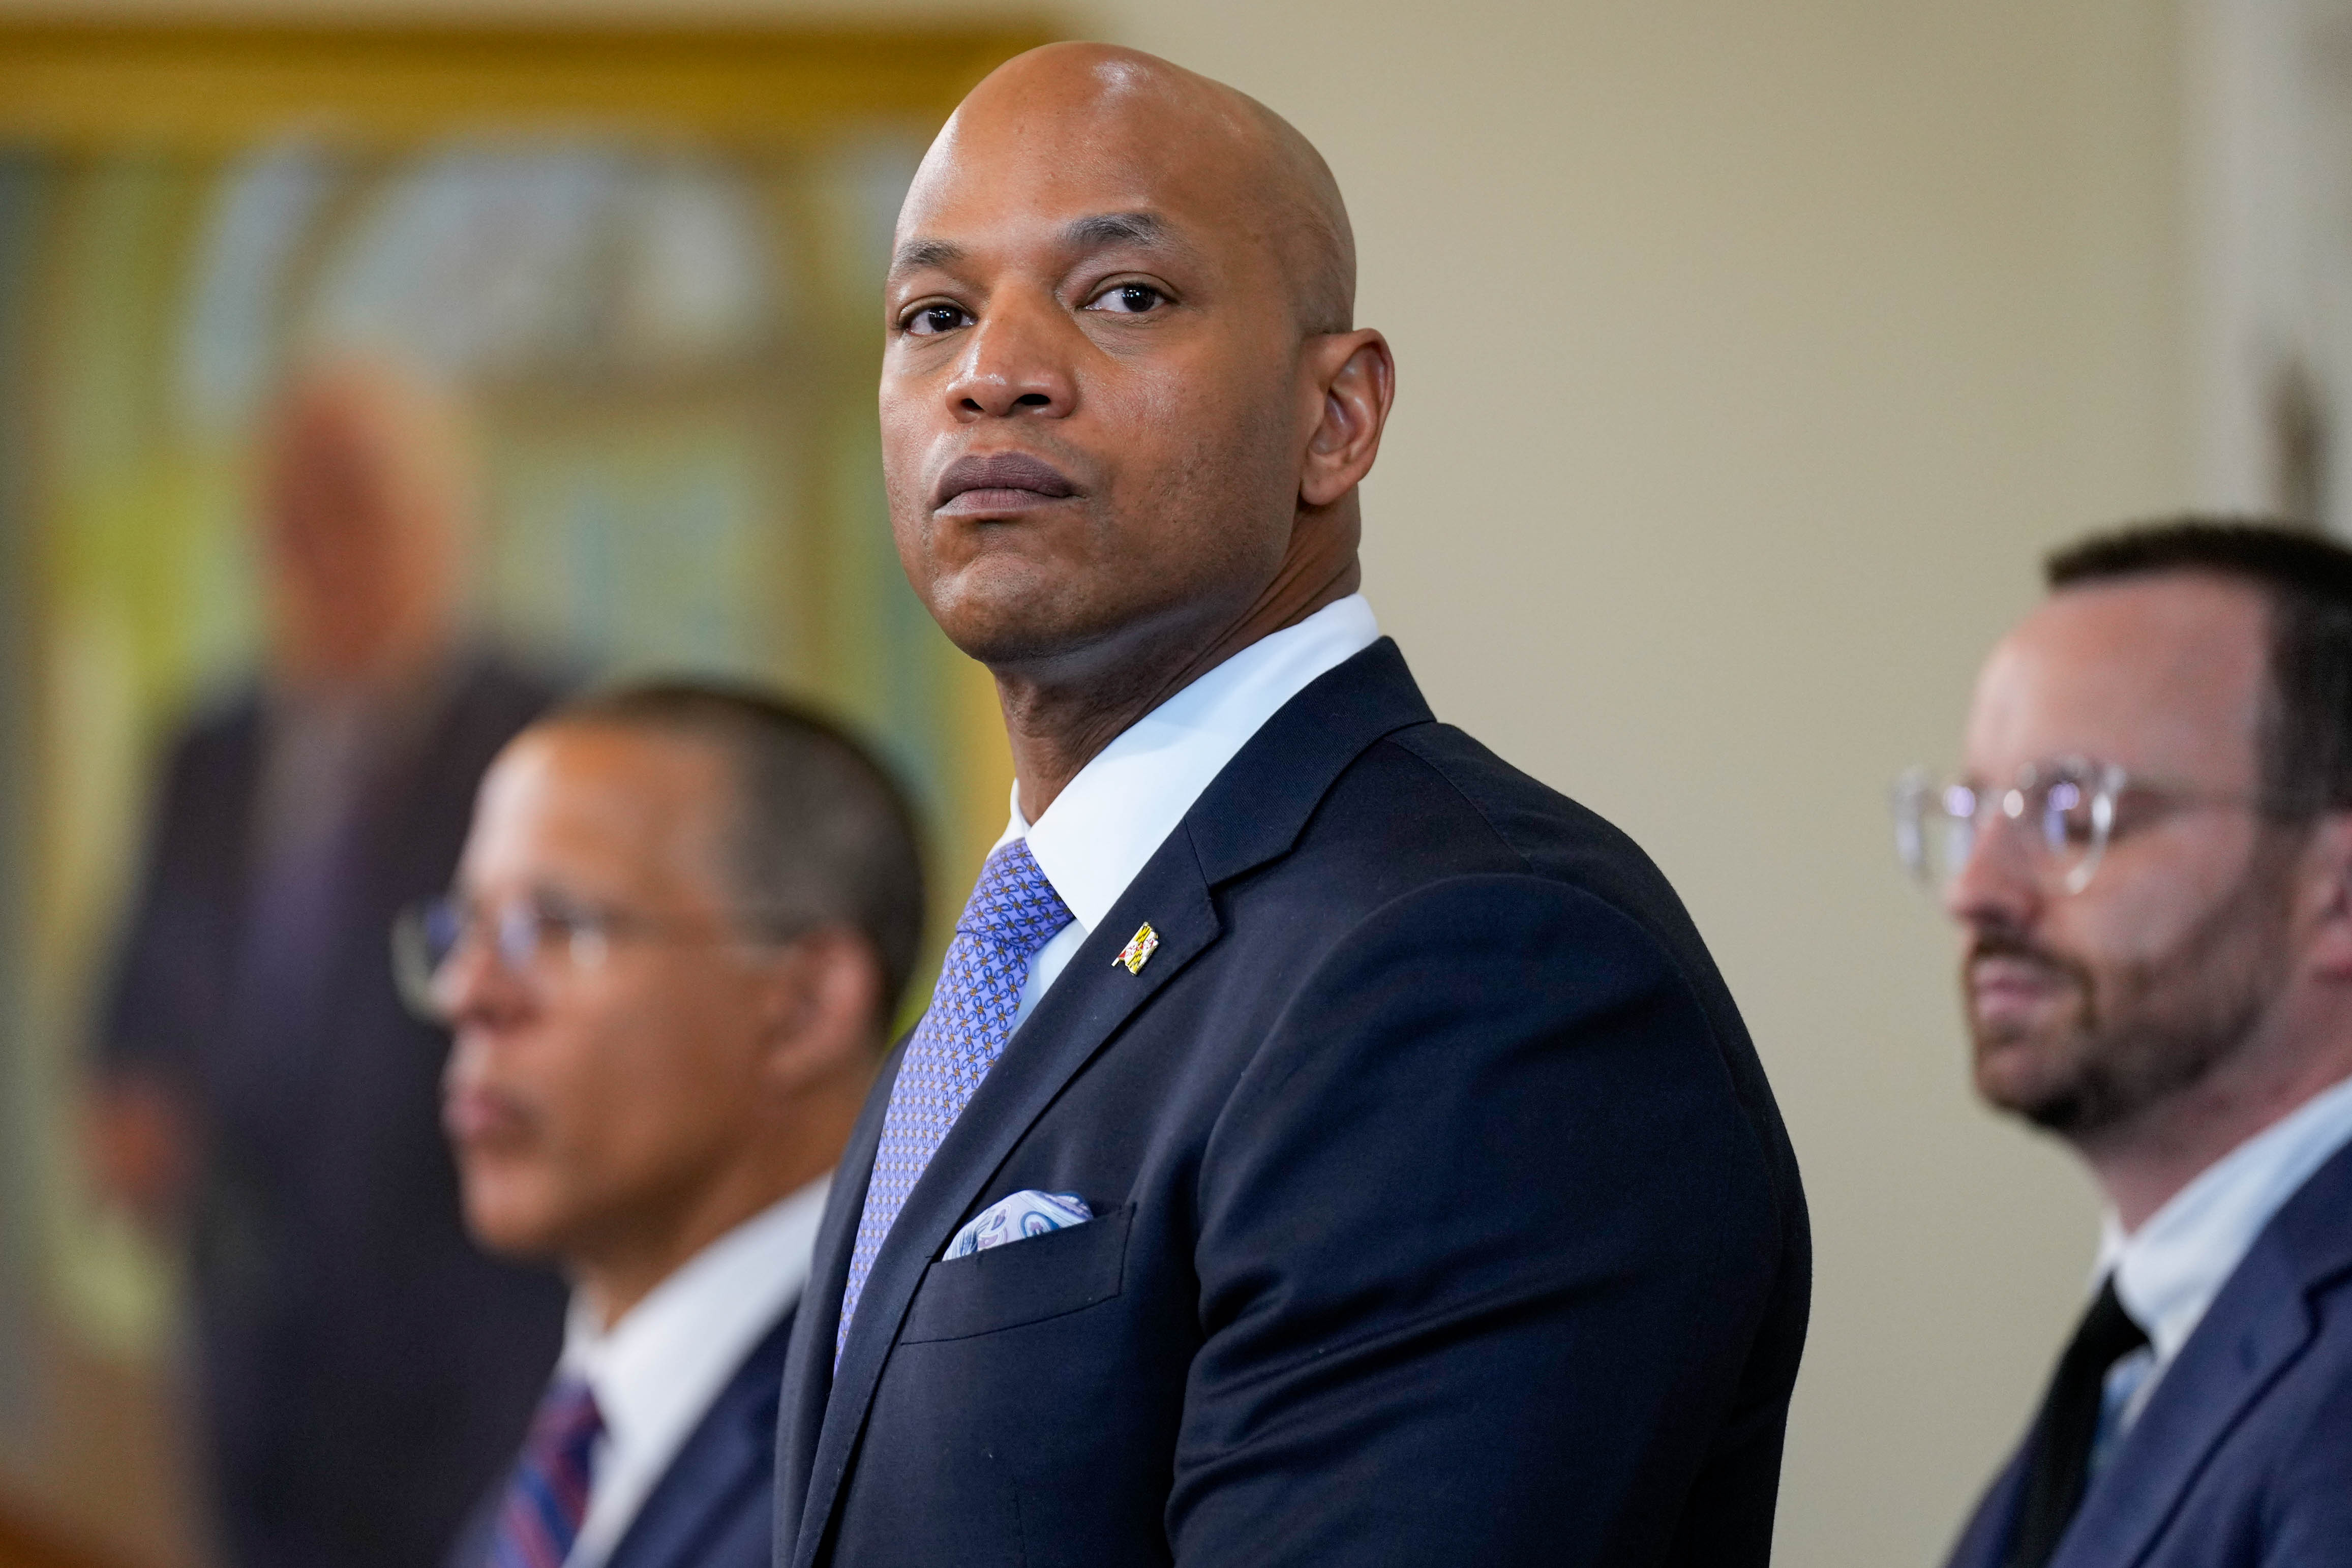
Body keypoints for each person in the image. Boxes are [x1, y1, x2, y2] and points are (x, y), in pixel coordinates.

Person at [772, 42, 1810, 1568]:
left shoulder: (1478, 968)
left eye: (1122, 295)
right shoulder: (1027, 951)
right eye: (935, 314)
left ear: (1339, 417)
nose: (994, 369)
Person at [86, 359, 569, 1568]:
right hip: (249, 1367)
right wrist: (129, 1096)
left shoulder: (552, 743)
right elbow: (136, 994)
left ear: (446, 523)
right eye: (290, 517)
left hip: (473, 1363)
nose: (318, 550)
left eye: (353, 505)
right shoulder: (206, 754)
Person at [1901, 521, 2352, 1568]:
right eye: (1972, 810)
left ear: (2336, 896)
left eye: (2071, 813)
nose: (1976, 891)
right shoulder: (2145, 1346)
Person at [420, 683, 925, 1568]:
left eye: (557, 925)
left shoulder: (900, 1448)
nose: (468, 992)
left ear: (803, 1007)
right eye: (467, 928)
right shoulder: (560, 1447)